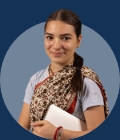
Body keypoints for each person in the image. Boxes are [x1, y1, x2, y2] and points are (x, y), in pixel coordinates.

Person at [18, 9, 109, 140]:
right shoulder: (36, 79)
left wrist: (58, 133)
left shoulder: (86, 82)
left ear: (78, 40)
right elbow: (23, 125)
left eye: (65, 38)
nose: (56, 46)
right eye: (50, 37)